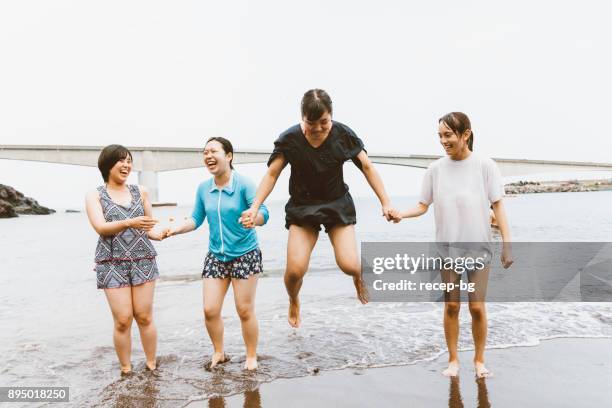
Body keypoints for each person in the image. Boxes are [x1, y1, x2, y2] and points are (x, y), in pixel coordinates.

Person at [242, 89, 397, 328]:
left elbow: (367, 167)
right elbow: (272, 173)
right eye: (310, 123)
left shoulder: (343, 135)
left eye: (324, 122)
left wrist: (385, 202)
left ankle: (357, 277)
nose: (318, 129)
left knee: (350, 265)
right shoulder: (290, 139)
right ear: (302, 118)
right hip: (303, 207)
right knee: (295, 270)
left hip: (336, 204)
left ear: (331, 116)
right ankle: (294, 299)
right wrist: (254, 207)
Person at [390, 112, 513, 378]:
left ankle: (479, 361)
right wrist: (401, 214)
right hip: (446, 251)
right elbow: (422, 206)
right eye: (440, 136)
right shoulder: (435, 169)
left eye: (448, 135)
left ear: (465, 134)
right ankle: (453, 360)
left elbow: (499, 207)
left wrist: (507, 244)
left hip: (479, 248)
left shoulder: (485, 165)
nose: (443, 141)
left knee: (477, 306)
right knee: (452, 306)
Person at [165, 137, 269, 370]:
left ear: (229, 156)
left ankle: (251, 356)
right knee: (210, 310)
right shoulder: (204, 188)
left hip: (245, 253)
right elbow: (196, 219)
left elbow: (263, 211)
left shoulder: (244, 184)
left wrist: (255, 218)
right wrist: (176, 229)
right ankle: (219, 352)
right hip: (216, 256)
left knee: (244, 310)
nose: (208, 156)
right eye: (205, 152)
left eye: (213, 151)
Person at [85, 144, 166, 376]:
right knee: (122, 320)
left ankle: (151, 365)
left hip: (143, 258)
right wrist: (130, 222)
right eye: (121, 160)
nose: (127, 165)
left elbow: (149, 228)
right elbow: (101, 227)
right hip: (111, 262)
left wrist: (163, 232)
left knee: (144, 316)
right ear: (108, 164)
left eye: (129, 160)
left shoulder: (141, 191)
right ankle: (126, 370)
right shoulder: (95, 195)